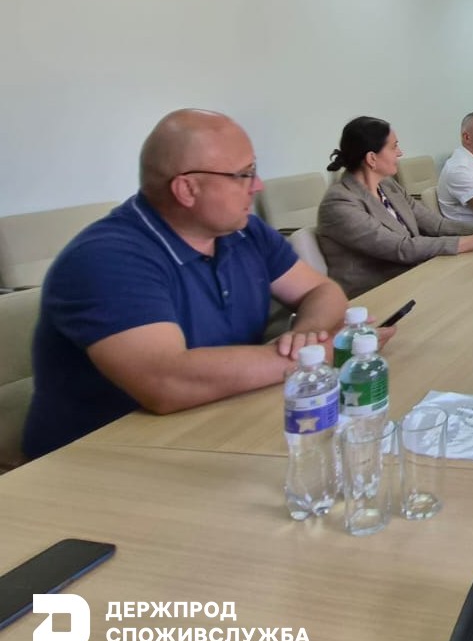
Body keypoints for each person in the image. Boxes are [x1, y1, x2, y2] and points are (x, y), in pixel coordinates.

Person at [24, 109, 358, 458]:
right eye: (243, 174)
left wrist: (309, 332)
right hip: (94, 460)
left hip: (210, 426)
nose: (257, 185)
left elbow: (322, 290)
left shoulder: (244, 231)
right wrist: (314, 357)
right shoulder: (106, 258)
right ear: (187, 188)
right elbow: (167, 381)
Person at [317, 117, 473, 297]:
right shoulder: (339, 203)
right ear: (372, 158)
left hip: (414, 277)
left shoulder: (388, 186)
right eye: (394, 147)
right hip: (377, 294)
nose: (400, 153)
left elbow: (436, 224)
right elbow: (402, 248)